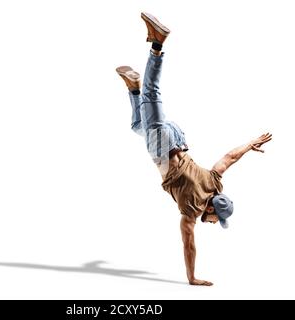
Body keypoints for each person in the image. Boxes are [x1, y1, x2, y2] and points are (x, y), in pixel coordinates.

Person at [116, 12, 272, 286]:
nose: (211, 223)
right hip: (163, 148)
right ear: (211, 209)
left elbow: (228, 158)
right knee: (154, 93)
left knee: (137, 126)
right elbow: (189, 244)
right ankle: (157, 42)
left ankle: (133, 88)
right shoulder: (191, 209)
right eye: (215, 220)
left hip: (177, 138)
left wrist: (249, 145)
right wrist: (192, 278)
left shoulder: (214, 182)